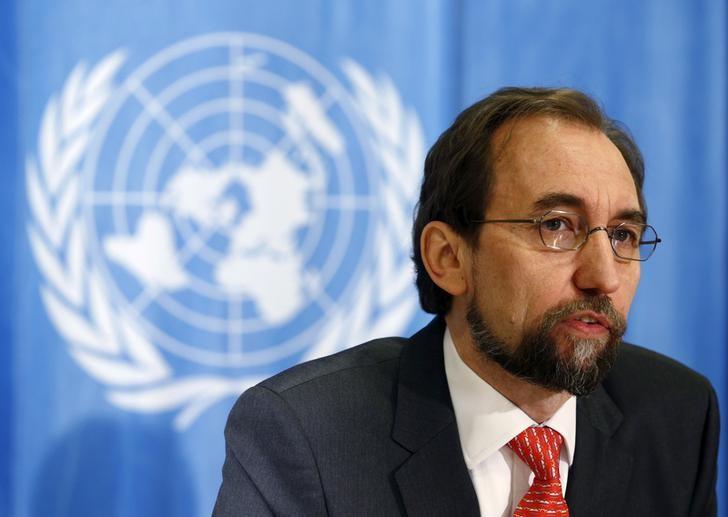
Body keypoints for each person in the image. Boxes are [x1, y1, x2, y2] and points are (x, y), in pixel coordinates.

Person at [213, 87, 719, 517]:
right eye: (556, 226)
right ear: (448, 257)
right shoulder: (309, 434)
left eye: (625, 235)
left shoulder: (676, 414)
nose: (604, 276)